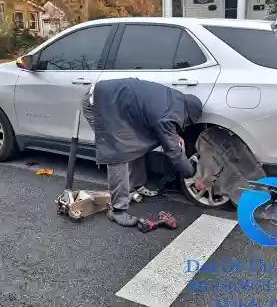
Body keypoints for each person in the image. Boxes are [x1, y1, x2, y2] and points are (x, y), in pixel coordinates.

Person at [82, 78, 205, 226]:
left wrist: (174, 135)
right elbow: (174, 151)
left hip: (115, 103)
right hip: (99, 104)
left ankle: (135, 186)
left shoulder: (175, 100)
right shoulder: (167, 116)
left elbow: (160, 120)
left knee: (135, 144)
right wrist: (193, 175)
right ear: (186, 115)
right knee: (118, 153)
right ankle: (117, 210)